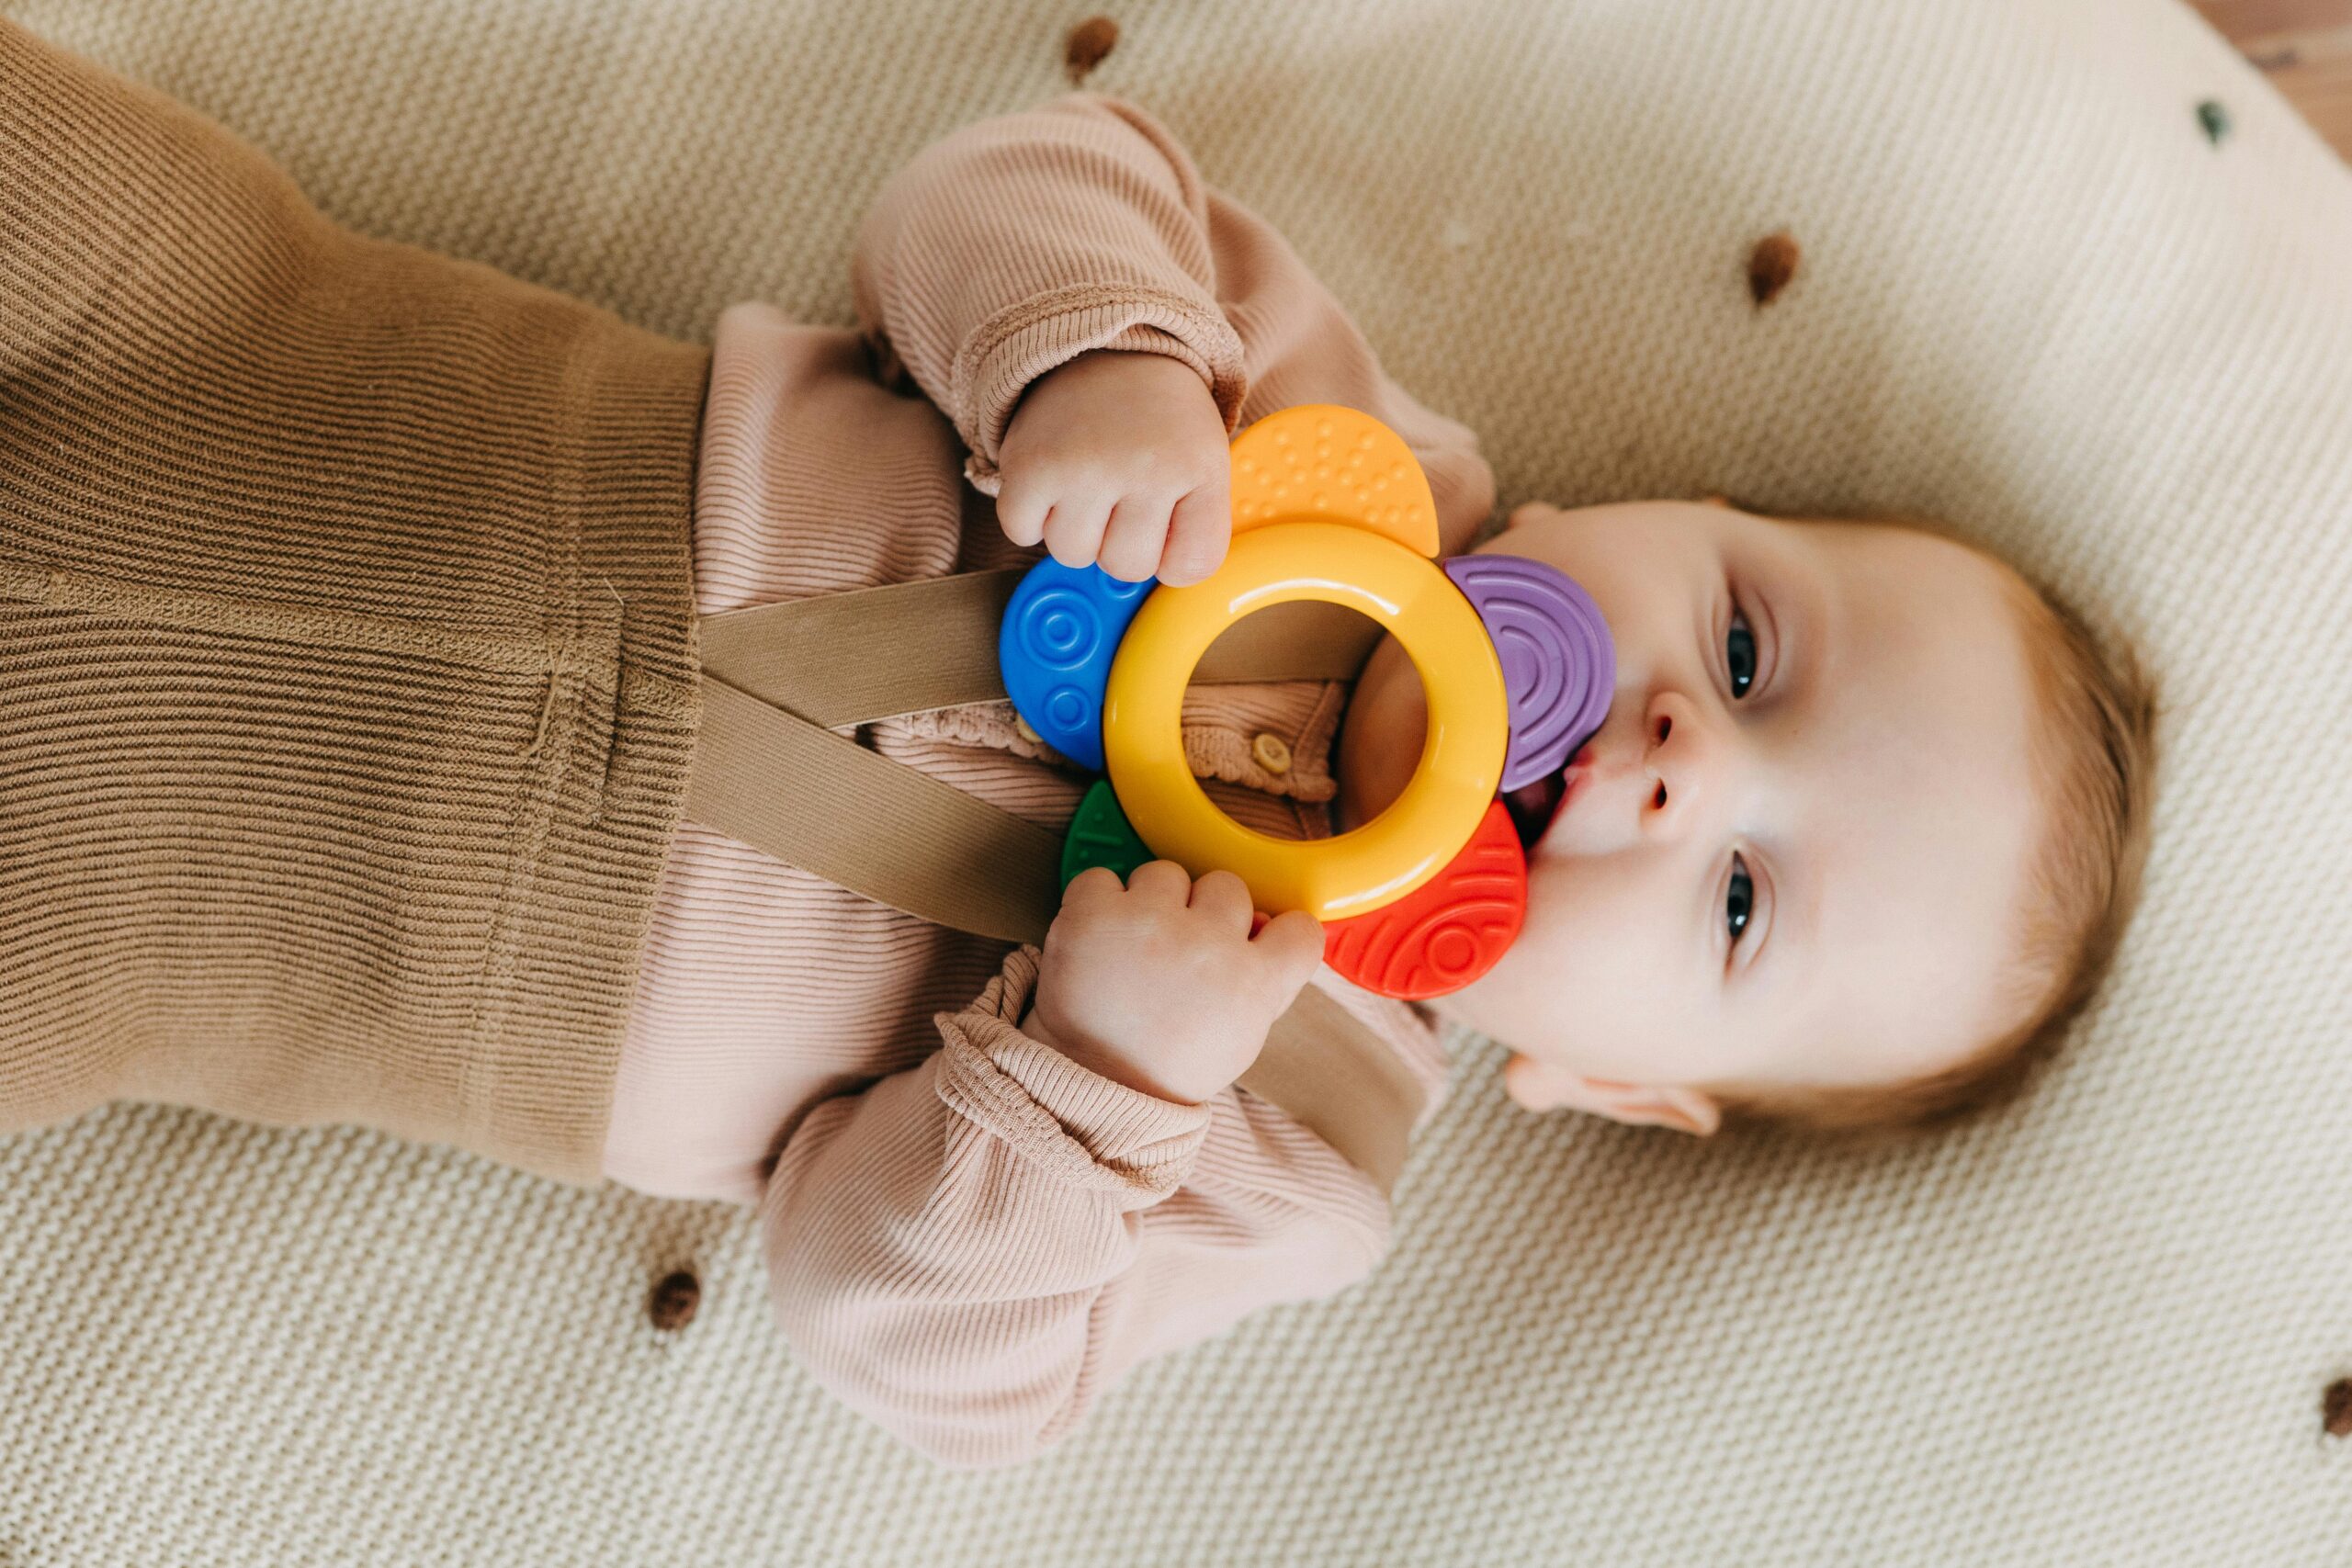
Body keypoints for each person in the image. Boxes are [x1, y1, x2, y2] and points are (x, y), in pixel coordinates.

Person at [0, 19, 2154, 1472]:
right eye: (1754, 643)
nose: (1686, 757)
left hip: (140, 917)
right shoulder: (1329, 448)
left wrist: (1099, 1083)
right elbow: (1025, 174)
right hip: (209, 339)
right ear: (1675, 510)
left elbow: (911, 1343)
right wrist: (1092, 368)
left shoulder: (1280, 1142)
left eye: (1742, 898)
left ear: (1603, 1088)